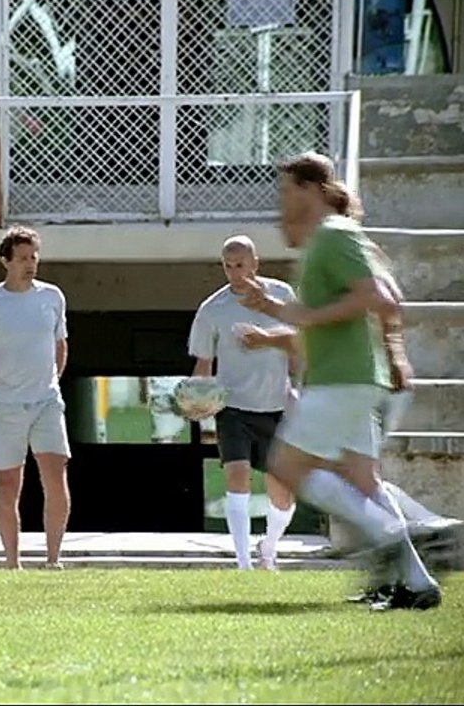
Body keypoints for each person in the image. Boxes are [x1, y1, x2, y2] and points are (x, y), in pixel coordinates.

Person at [238, 151, 442, 611]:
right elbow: (317, 324)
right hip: (346, 378)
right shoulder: (325, 242)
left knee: (289, 468)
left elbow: (380, 297)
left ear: (311, 190)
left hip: (342, 380)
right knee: (364, 484)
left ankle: (398, 534)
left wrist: (310, 317)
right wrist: (270, 309)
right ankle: (418, 582)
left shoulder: (333, 235)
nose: (282, 201)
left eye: (287, 190)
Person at [187, 235, 301, 571]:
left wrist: (300, 387)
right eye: (228, 266)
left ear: (255, 263)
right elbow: (203, 364)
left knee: (283, 494)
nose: (234, 272)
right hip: (232, 408)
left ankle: (268, 547)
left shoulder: (281, 296)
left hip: (277, 407)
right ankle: (242, 565)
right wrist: (198, 401)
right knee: (237, 477)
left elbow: (297, 345)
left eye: (240, 265)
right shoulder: (212, 309)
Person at [0, 226, 71, 570]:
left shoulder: (52, 296)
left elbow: (60, 344)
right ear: (6, 261)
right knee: (8, 485)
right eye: (22, 258)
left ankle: (53, 560)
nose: (30, 264)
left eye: (34, 257)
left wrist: (52, 381)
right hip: (5, 405)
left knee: (56, 477)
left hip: (47, 403)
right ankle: (12, 562)